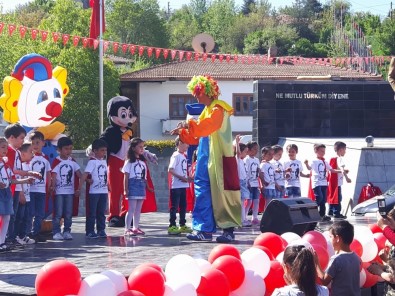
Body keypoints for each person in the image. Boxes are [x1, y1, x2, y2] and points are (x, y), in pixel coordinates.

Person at [171, 75, 241, 243]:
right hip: (205, 156)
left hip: (218, 158)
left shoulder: (218, 109)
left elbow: (208, 126)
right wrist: (182, 132)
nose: (195, 96)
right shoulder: (206, 111)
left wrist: (190, 125)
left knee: (223, 191)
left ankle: (228, 230)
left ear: (208, 92)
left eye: (198, 92)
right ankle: (204, 230)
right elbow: (196, 136)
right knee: (202, 191)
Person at [5, 123, 40, 247]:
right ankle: (8, 238)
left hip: (16, 186)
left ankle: (12, 237)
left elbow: (16, 171)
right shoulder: (9, 151)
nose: (23, 141)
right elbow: (11, 171)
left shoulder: (17, 152)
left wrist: (27, 175)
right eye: (21, 138)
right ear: (11, 138)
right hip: (10, 188)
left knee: (13, 216)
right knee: (10, 216)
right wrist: (28, 173)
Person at [0, 137, 34, 253]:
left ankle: (2, 242)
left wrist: (25, 180)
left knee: (7, 216)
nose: (5, 150)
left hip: (6, 193)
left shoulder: (5, 164)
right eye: (2, 147)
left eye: (5, 147)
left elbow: (11, 179)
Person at [315, 220, 361, 296]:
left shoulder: (336, 259)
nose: (329, 240)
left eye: (330, 237)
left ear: (337, 238)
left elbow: (324, 281)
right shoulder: (356, 257)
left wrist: (316, 263)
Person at [50, 136, 82, 240]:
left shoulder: (72, 161)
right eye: (66, 149)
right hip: (59, 192)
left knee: (68, 213)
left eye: (70, 148)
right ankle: (56, 232)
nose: (69, 151)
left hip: (70, 192)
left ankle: (67, 231)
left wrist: (83, 183)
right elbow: (53, 175)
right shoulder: (56, 161)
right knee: (58, 213)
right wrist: (52, 186)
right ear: (59, 150)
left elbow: (79, 174)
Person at [122, 138, 154, 236]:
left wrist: (148, 187)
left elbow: (144, 177)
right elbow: (126, 176)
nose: (142, 149)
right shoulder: (129, 162)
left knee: (138, 209)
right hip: (133, 185)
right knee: (131, 208)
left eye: (143, 147)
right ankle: (127, 228)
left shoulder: (143, 162)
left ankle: (136, 227)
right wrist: (125, 189)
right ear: (133, 148)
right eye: (140, 147)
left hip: (141, 186)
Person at [305, 144, 342, 222]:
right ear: (316, 151)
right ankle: (311, 211)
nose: (323, 153)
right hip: (317, 183)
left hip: (324, 183)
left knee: (323, 200)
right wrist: (306, 164)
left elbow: (332, 170)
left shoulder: (324, 161)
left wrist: (341, 171)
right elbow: (309, 168)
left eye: (324, 151)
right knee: (319, 197)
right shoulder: (314, 161)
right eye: (321, 151)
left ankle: (322, 215)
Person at [81, 139, 108, 239]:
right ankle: (90, 231)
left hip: (103, 191)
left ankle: (101, 229)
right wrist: (79, 187)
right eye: (102, 150)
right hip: (94, 192)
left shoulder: (104, 162)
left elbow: (106, 175)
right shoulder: (92, 162)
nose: (104, 152)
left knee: (101, 212)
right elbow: (85, 175)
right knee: (92, 212)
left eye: (105, 150)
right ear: (95, 151)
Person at [28, 131, 51, 243]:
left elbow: (49, 172)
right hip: (31, 190)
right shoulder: (29, 157)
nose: (35, 145)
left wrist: (50, 186)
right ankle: (27, 234)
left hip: (41, 190)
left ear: (43, 143)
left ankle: (36, 233)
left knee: (40, 213)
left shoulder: (45, 158)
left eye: (37, 142)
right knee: (30, 212)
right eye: (33, 143)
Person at [167, 137, 193, 235]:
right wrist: (182, 178)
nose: (188, 146)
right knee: (174, 206)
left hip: (183, 185)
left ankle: (182, 224)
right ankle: (172, 225)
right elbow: (171, 169)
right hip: (176, 186)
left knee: (183, 206)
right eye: (186, 143)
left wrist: (188, 178)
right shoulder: (176, 155)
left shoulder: (183, 156)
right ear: (180, 143)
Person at [14, 143, 37, 245]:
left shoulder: (27, 164)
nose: (33, 154)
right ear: (23, 154)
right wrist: (21, 194)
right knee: (19, 217)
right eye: (30, 152)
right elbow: (20, 180)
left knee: (26, 217)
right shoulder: (20, 165)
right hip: (22, 195)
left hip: (28, 195)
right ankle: (16, 236)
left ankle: (23, 235)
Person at [327, 141, 351, 219]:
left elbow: (332, 169)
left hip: (331, 181)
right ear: (340, 150)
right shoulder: (339, 159)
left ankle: (330, 211)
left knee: (332, 196)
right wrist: (347, 177)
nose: (345, 151)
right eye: (344, 150)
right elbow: (341, 169)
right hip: (337, 182)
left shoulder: (332, 158)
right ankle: (337, 213)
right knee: (338, 197)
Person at [235, 135, 251, 227]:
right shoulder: (237, 159)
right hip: (240, 182)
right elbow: (237, 153)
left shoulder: (242, 161)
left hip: (243, 181)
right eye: (245, 152)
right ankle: (242, 219)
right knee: (241, 202)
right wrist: (237, 142)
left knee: (243, 201)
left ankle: (243, 218)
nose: (246, 154)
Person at [244, 141, 260, 225]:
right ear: (249, 150)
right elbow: (246, 171)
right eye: (254, 149)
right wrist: (247, 182)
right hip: (249, 183)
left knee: (256, 200)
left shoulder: (257, 160)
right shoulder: (246, 159)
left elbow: (258, 171)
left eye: (257, 149)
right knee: (249, 201)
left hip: (255, 183)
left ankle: (255, 217)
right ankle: (244, 216)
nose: (256, 151)